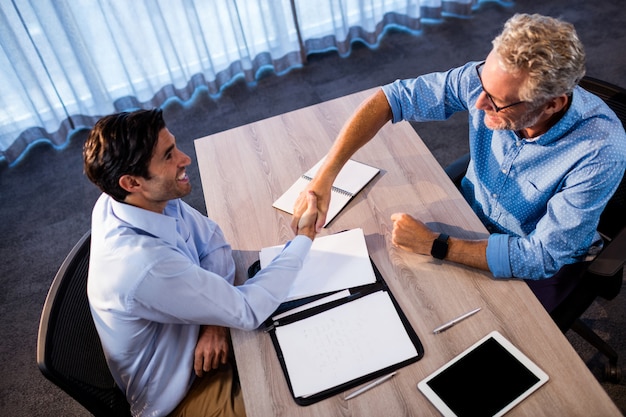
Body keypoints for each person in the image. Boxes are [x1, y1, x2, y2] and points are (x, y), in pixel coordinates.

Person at [291, 13, 626, 312]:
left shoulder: (599, 149)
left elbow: (544, 257)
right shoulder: (484, 82)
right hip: (468, 220)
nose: (478, 103)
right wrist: (324, 177)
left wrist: (436, 245)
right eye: (482, 85)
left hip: (537, 262)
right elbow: (390, 100)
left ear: (553, 104)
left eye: (498, 102)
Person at [83, 108, 318, 417]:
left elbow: (215, 245)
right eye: (168, 156)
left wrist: (215, 321)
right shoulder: (143, 265)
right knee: (307, 396)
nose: (185, 159)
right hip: (182, 394)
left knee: (312, 329)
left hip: (198, 338)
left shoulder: (140, 199)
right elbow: (246, 310)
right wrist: (304, 239)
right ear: (131, 183)